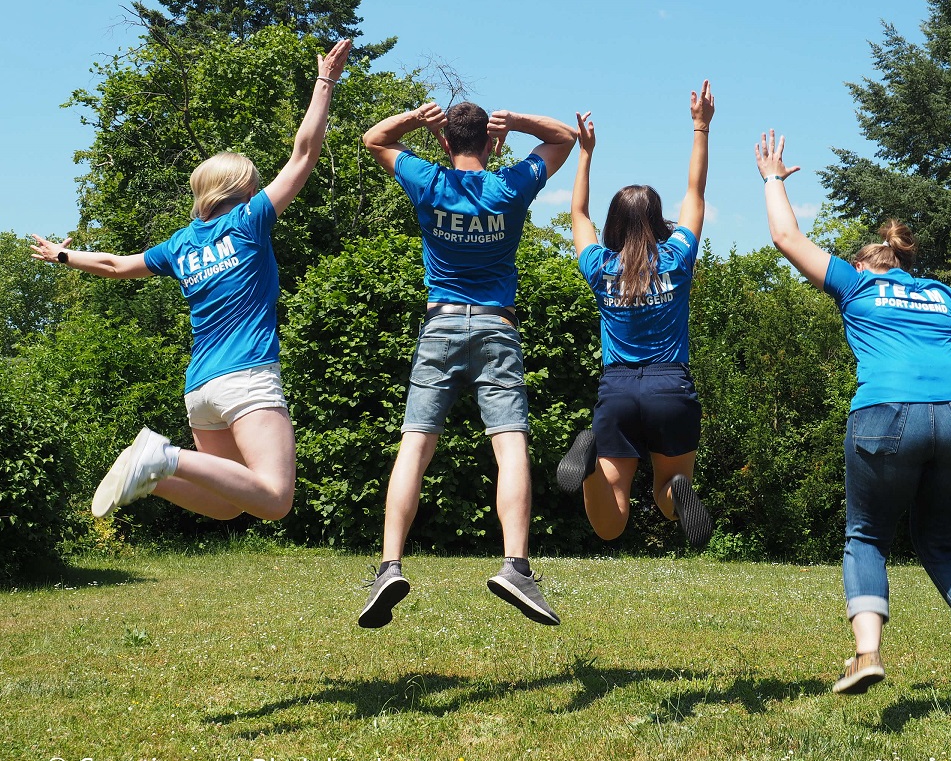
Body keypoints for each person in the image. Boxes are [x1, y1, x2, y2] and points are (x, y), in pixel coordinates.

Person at [754, 129, 951, 701]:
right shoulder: (940, 294)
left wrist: (773, 179)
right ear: (904, 263)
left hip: (886, 417)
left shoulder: (854, 285)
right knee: (944, 542)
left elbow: (785, 235)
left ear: (863, 263)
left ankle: (867, 654)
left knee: (867, 536)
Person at [31, 39, 353, 524]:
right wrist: (325, 81)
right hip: (246, 375)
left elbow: (117, 266)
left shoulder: (181, 246)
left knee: (227, 505)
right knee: (274, 497)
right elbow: (304, 155)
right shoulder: (249, 221)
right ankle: (166, 456)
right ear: (242, 186)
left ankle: (153, 475)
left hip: (201, 387)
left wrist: (63, 254)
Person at [357, 100, 576, 629]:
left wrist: (417, 119)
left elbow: (374, 138)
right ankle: (515, 567)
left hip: (441, 326)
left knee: (416, 442)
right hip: (498, 329)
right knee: (510, 445)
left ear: (445, 144)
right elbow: (566, 137)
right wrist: (518, 123)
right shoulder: (510, 187)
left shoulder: (430, 184)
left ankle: (390, 566)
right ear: (491, 143)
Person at [555, 81, 716, 549]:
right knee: (668, 493)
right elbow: (696, 193)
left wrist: (585, 153)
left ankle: (590, 469)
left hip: (618, 388)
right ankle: (676, 491)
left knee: (611, 522)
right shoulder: (677, 259)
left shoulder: (601, 268)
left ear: (615, 224)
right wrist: (700, 126)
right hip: (671, 386)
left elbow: (578, 212)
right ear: (658, 218)